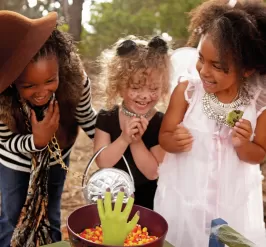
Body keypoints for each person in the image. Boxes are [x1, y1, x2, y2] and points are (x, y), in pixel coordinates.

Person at [154, 0, 266, 246]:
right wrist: (173, 140)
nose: (204, 71)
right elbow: (164, 136)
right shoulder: (188, 90)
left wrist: (242, 144)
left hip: (233, 202)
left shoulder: (257, 102)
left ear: (246, 69)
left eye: (217, 66)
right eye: (201, 58)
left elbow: (258, 154)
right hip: (187, 198)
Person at [0, 11, 96, 246]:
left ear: (61, 68)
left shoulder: (76, 80)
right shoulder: (2, 96)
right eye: (29, 85)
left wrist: (111, 143)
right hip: (14, 161)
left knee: (50, 213)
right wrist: (36, 141)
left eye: (50, 81)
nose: (42, 92)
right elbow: (5, 140)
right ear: (12, 81)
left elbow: (86, 117)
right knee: (13, 217)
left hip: (57, 158)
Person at [93, 36, 169, 210]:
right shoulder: (107, 116)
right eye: (136, 88)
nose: (144, 95)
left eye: (153, 89)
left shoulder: (160, 122)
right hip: (111, 202)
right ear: (119, 85)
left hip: (147, 204)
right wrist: (124, 139)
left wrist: (136, 141)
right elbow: (103, 162)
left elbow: (152, 173)